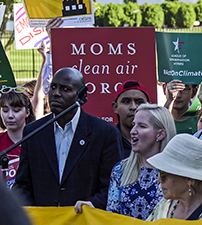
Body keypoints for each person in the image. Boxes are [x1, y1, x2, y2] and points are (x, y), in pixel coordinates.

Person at [13, 67, 123, 208]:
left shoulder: (104, 133)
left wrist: (93, 204)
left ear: (80, 95)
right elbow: (22, 184)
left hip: (84, 223)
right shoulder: (33, 132)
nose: (56, 94)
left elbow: (113, 187)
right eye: (53, 87)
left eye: (65, 89)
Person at [104, 104, 176, 219]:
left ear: (161, 134)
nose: (133, 131)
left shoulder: (177, 173)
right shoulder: (120, 169)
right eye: (133, 125)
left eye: (142, 126)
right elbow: (111, 217)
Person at [146, 134, 202, 220]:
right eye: (159, 172)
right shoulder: (163, 207)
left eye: (163, 174)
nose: (159, 180)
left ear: (190, 180)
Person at [0, 89, 36, 188]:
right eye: (5, 110)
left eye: (16, 110)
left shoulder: (38, 142)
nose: (10, 116)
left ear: (27, 112)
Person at [111, 80, 150, 157]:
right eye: (126, 102)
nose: (133, 107)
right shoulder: (108, 142)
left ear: (149, 107)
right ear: (115, 107)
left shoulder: (156, 142)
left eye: (139, 102)